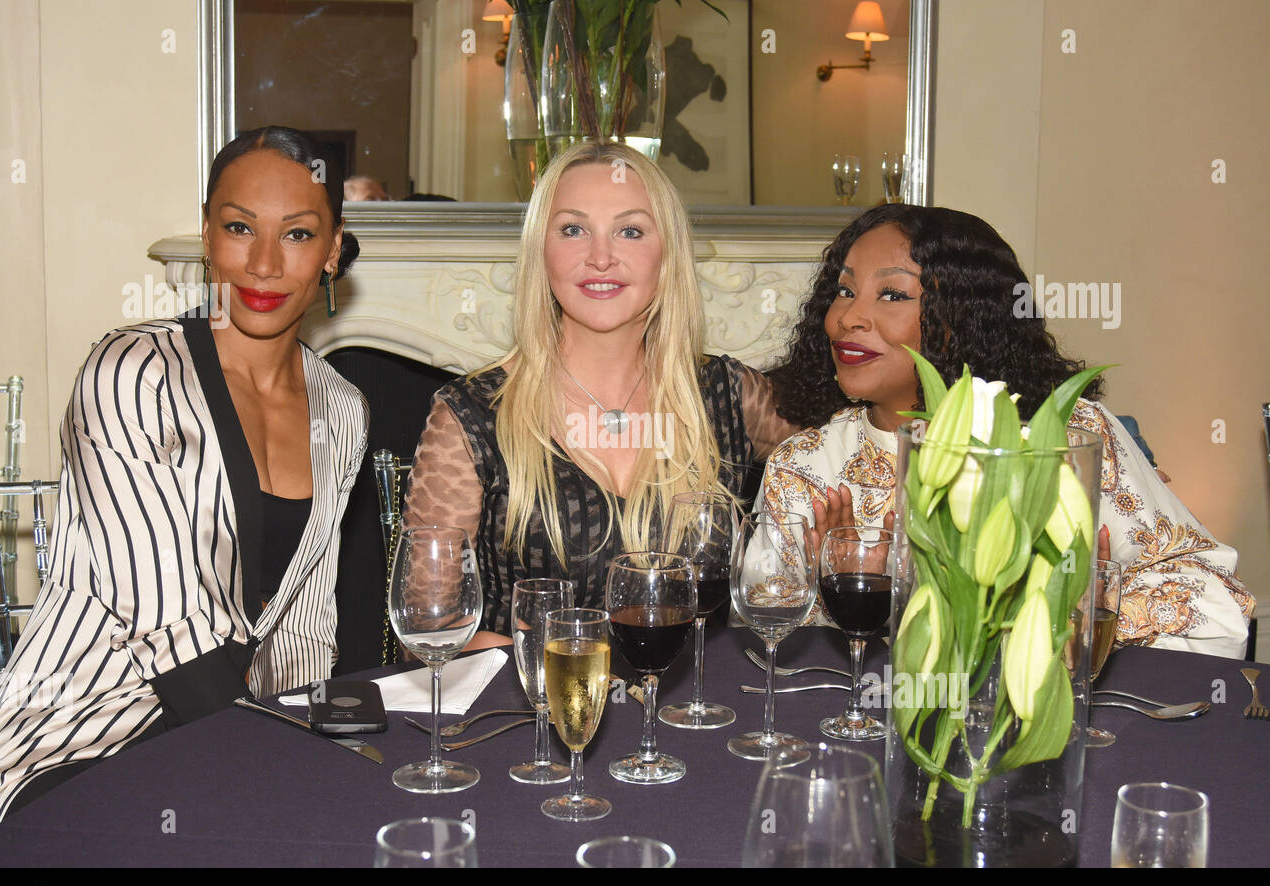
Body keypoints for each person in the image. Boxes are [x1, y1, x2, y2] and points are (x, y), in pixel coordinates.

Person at [0, 126, 369, 847]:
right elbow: (170, 631)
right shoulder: (131, 373)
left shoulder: (342, 408)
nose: (265, 262)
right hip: (81, 748)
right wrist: (291, 780)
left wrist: (317, 757)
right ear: (209, 234)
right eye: (240, 227)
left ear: (333, 249)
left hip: (227, 740)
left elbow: (307, 624)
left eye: (299, 234)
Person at [760, 204, 1254, 658]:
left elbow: (1216, 604)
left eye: (892, 294)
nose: (847, 318)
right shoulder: (806, 467)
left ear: (962, 320)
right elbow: (761, 631)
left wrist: (1080, 607)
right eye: (845, 290)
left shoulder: (1065, 440)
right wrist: (833, 588)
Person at [403, 141, 797, 643]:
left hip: (695, 711)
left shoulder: (727, 394)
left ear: (667, 254)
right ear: (540, 250)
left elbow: (848, 458)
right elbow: (428, 624)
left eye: (630, 231)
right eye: (573, 229)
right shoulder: (472, 414)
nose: (601, 257)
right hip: (535, 712)